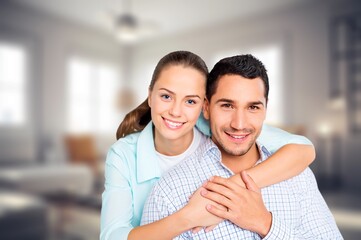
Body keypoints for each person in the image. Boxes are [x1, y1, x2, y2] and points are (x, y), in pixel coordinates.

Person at [100, 51, 316, 240]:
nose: (176, 111)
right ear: (150, 95)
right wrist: (188, 217)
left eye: (190, 101)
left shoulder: (222, 125)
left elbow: (303, 150)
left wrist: (227, 191)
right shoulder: (123, 154)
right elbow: (112, 236)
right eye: (166, 96)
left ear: (204, 106)